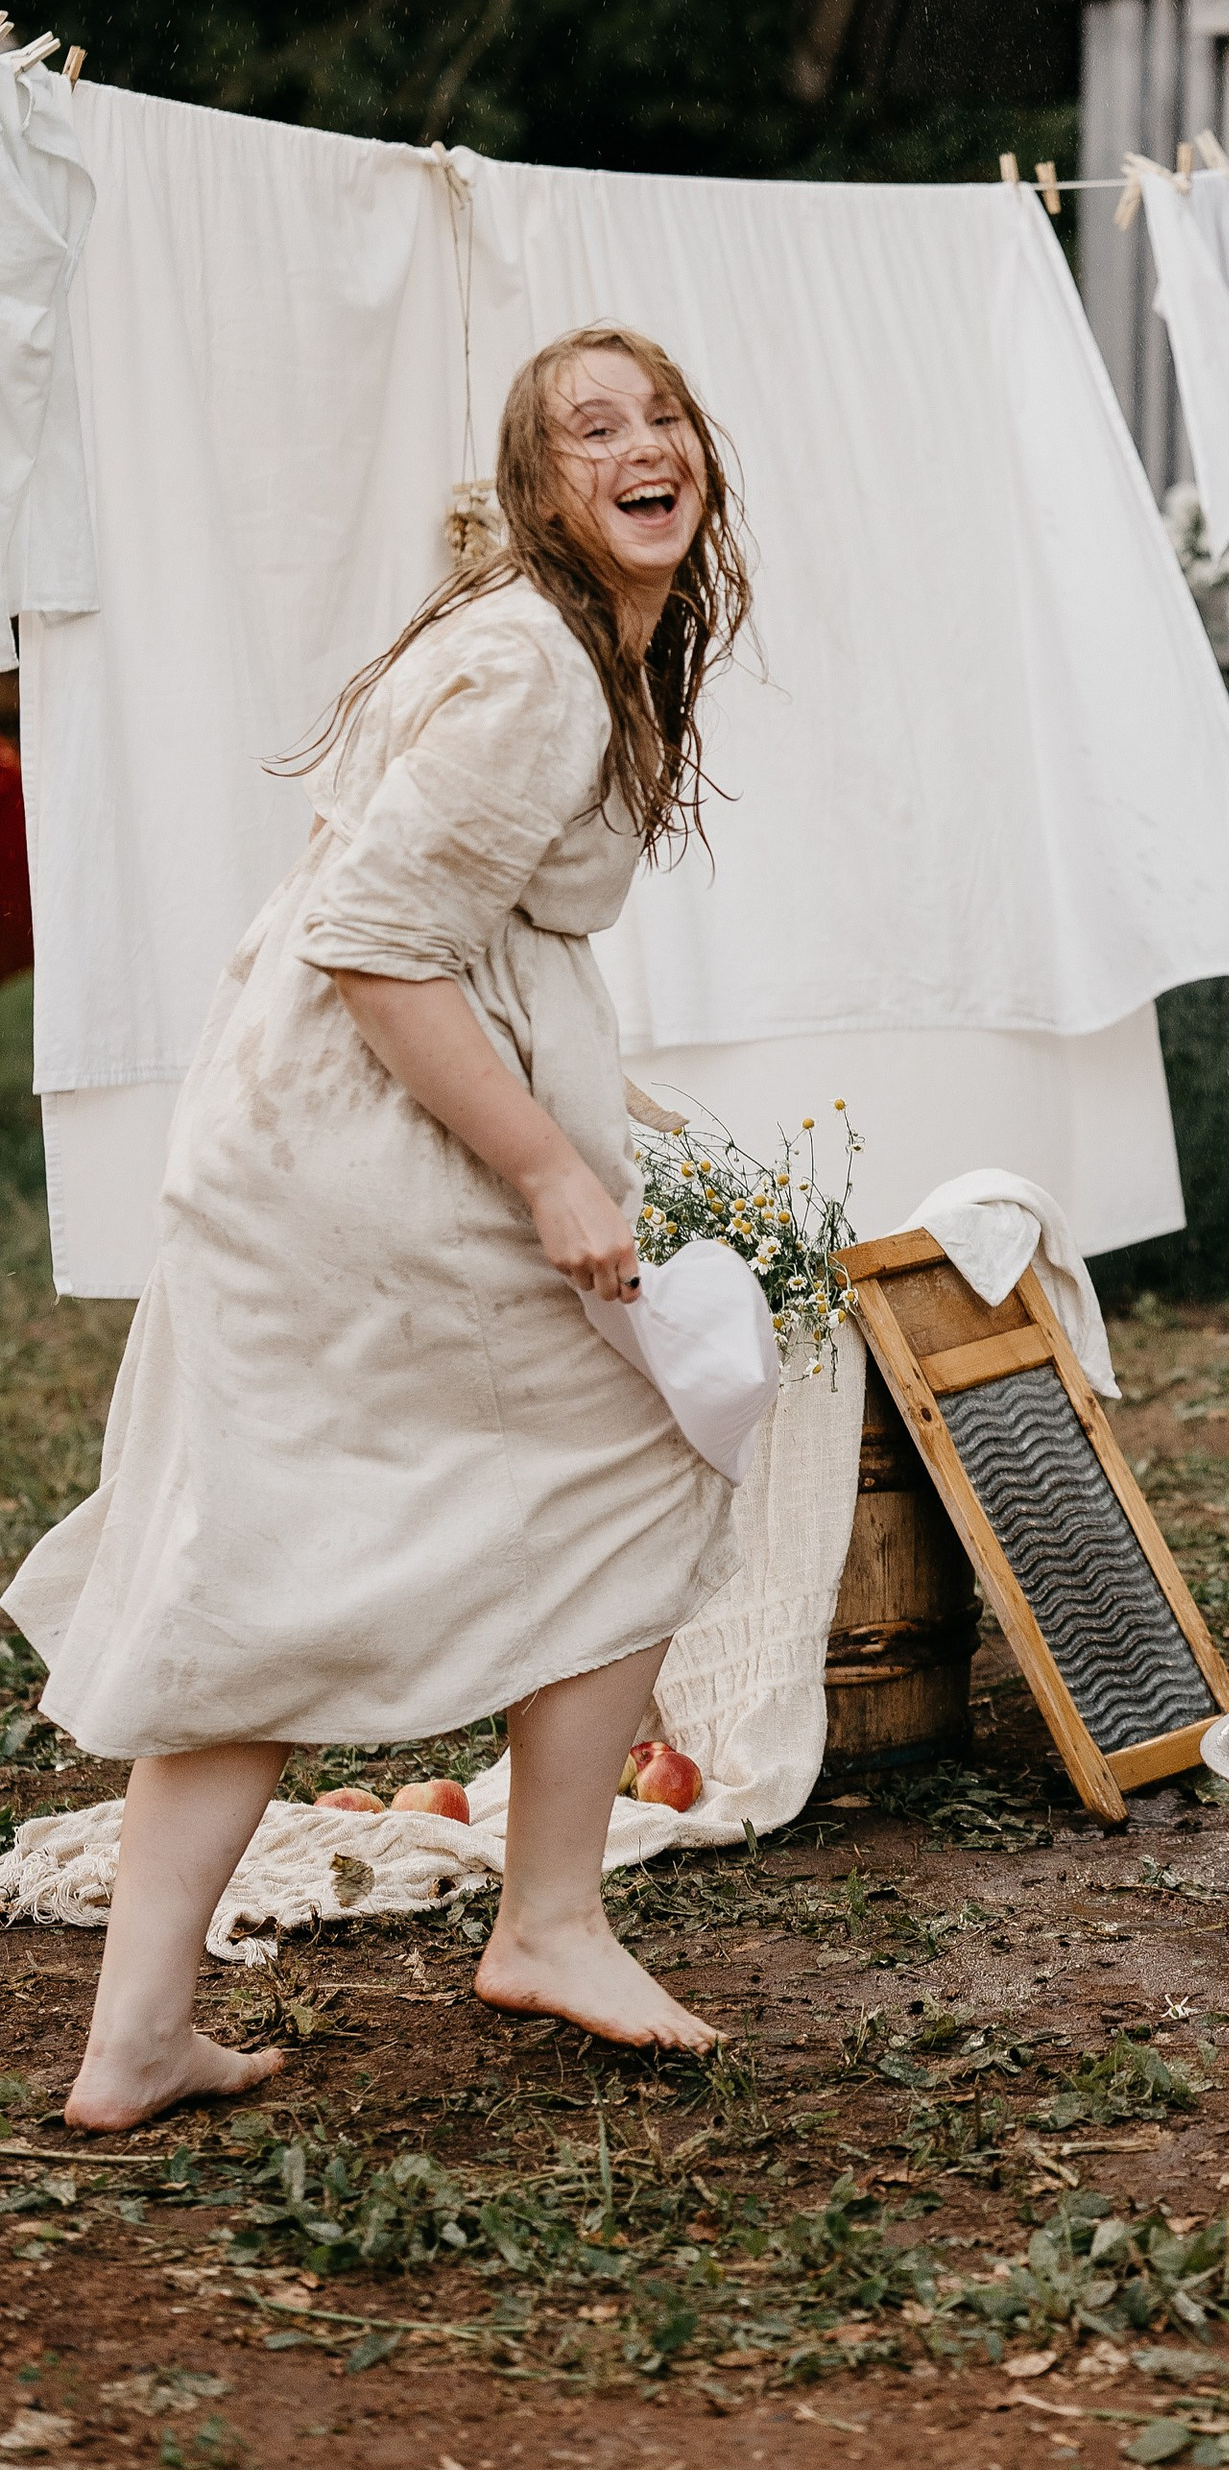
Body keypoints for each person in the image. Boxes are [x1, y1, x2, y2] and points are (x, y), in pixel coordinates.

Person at [7, 327, 754, 2123]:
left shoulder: (569, 642)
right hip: (357, 1157)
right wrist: (553, 1169)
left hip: (312, 1142)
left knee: (264, 1565)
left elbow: (454, 928)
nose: (643, 446)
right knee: (652, 1449)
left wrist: (596, 1104)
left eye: (663, 418)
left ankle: (133, 2044)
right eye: (593, 430)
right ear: (535, 480)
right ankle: (550, 1921)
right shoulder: (534, 671)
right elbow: (378, 948)